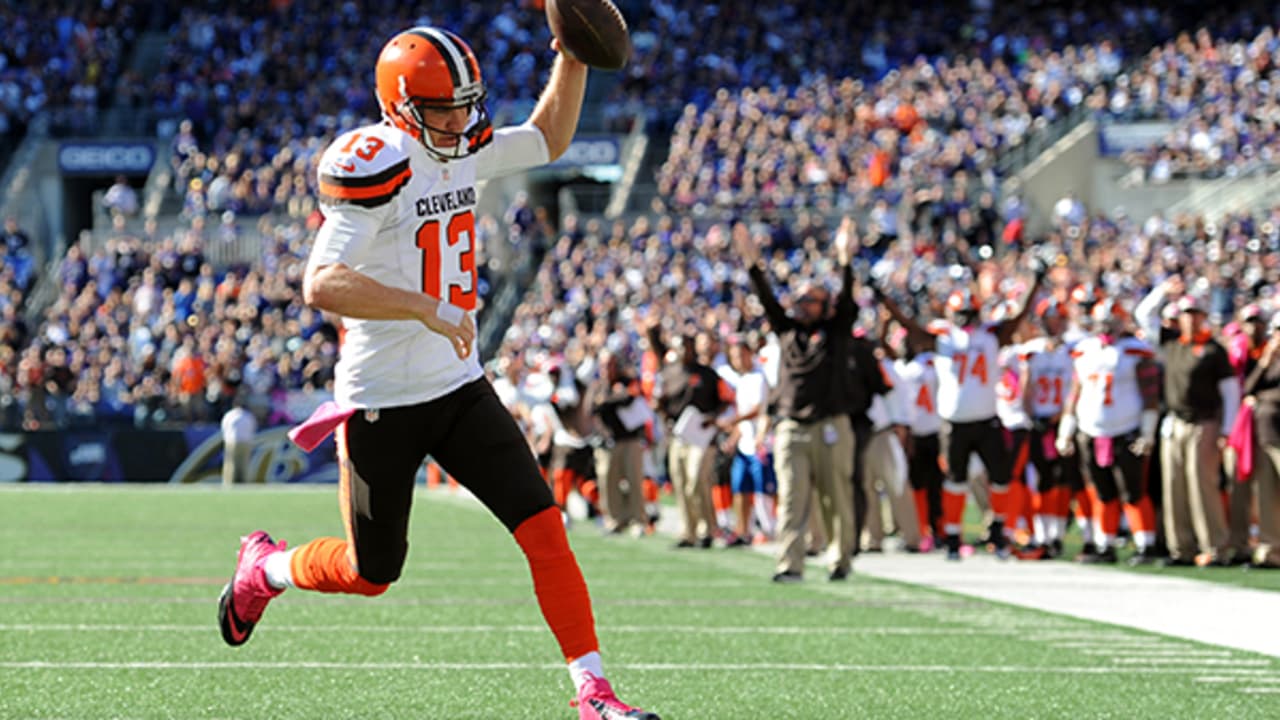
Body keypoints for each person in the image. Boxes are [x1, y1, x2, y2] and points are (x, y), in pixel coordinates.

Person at [216, 27, 659, 720]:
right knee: (372, 574)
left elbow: (547, 138)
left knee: (545, 528)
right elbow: (322, 282)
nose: (459, 122)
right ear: (400, 107)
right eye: (443, 111)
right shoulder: (377, 163)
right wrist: (422, 307)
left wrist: (571, 58)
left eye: (465, 106)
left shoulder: (462, 146)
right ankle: (265, 568)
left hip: (459, 385)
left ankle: (593, 691)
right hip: (382, 401)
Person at [877, 262, 1045, 560]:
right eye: (961, 314)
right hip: (954, 423)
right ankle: (953, 536)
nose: (965, 320)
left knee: (1002, 477)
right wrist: (887, 303)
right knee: (955, 480)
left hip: (986, 419)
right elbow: (910, 328)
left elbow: (1019, 315)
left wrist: (1035, 284)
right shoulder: (942, 340)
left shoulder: (991, 336)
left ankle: (998, 530)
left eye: (969, 314)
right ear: (951, 315)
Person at [736, 220, 857, 582]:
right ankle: (789, 563)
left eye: (810, 300)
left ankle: (839, 558)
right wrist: (751, 263)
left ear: (825, 306)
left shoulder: (835, 333)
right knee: (791, 497)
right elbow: (766, 296)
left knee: (835, 496)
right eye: (800, 299)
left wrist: (845, 259)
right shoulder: (787, 331)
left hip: (829, 424)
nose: (802, 305)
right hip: (791, 425)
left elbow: (849, 300)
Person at [1136, 288, 1240, 567]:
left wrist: (1226, 430)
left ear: (1203, 318)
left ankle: (1214, 546)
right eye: (1185, 315)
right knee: (1174, 487)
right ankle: (1180, 547)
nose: (1190, 320)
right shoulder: (1172, 344)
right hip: (1174, 422)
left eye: (1195, 315)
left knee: (1201, 485)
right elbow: (1143, 315)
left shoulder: (1213, 350)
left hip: (1203, 423)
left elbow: (1230, 392)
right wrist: (1163, 291)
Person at [1055, 300, 1161, 564]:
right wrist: (1065, 430)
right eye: (1102, 322)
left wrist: (1147, 432)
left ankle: (1145, 544)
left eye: (1111, 322)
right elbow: (1075, 393)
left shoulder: (1136, 351)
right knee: (1101, 491)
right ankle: (1105, 544)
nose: (1106, 328)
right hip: (1091, 430)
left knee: (1133, 491)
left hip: (1126, 430)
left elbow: (1150, 395)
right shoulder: (1084, 350)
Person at [649, 323, 735, 549]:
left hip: (702, 436)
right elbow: (660, 402)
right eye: (680, 347)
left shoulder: (707, 374)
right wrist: (660, 407)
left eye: (687, 346)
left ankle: (707, 528)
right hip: (677, 435)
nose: (684, 351)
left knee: (697, 480)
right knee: (680, 482)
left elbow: (725, 400)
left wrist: (712, 418)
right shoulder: (668, 373)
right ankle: (689, 531)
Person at [1241, 313, 1280, 569]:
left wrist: (1264, 399)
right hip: (1266, 434)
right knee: (1266, 496)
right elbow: (1248, 388)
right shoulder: (1269, 360)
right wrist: (1265, 362)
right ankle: (1270, 550)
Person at [220, 398, 257, 486]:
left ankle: (228, 482)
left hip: (232, 441)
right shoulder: (248, 415)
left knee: (230, 463)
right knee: (244, 463)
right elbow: (253, 427)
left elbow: (224, 427)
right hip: (245, 441)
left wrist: (226, 438)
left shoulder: (229, 415)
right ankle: (244, 482)